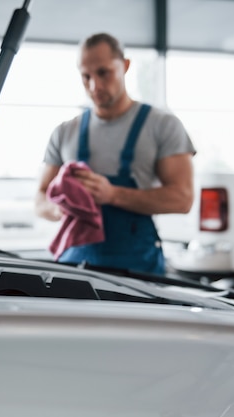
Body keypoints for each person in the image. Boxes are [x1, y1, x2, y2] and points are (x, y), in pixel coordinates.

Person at [35, 32, 196, 275]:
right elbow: (40, 198)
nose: (94, 86)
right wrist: (62, 208)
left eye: (103, 73)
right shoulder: (64, 132)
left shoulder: (163, 125)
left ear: (125, 66)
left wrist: (111, 195)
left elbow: (182, 199)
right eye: (85, 76)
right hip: (74, 269)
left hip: (138, 273)